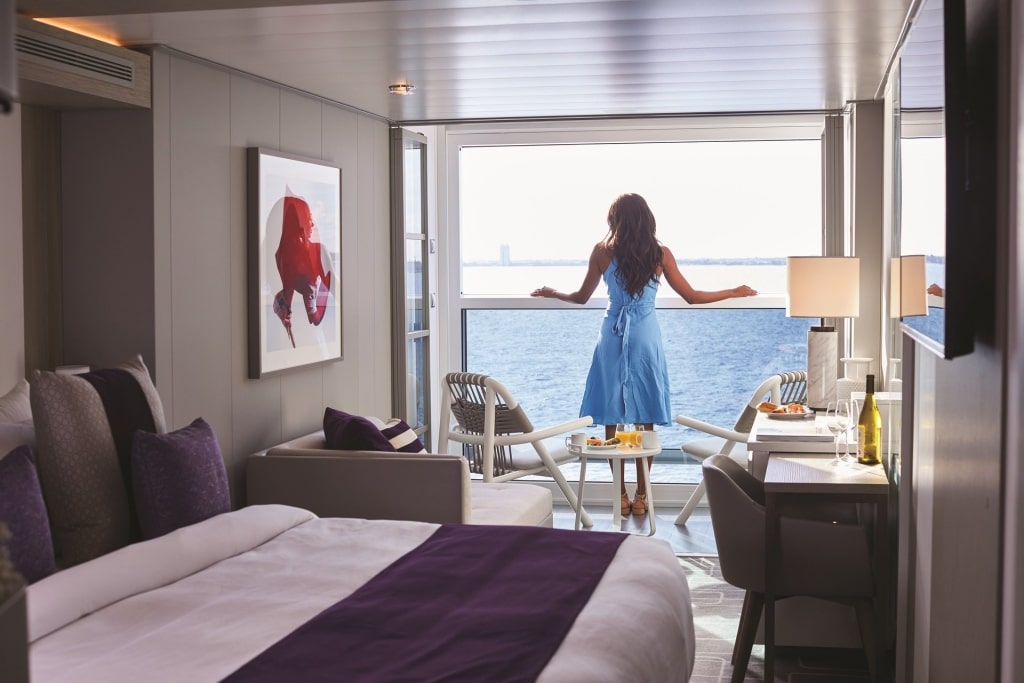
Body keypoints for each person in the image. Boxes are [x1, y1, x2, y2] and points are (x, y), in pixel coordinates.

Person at [531, 193, 757, 516]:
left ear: (615, 221)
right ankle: (642, 496)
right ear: (647, 220)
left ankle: (619, 494)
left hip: (612, 335)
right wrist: (733, 291)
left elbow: (581, 297)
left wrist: (552, 292)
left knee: (611, 415)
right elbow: (692, 296)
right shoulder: (660, 255)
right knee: (645, 416)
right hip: (645, 335)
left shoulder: (601, 253)